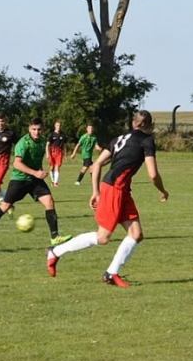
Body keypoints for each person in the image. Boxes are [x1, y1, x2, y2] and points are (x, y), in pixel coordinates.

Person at [46, 111, 169, 288]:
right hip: (114, 189)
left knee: (136, 234)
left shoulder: (118, 139)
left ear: (133, 123)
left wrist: (95, 191)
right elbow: (153, 174)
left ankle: (111, 273)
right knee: (103, 237)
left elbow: (96, 164)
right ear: (147, 125)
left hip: (120, 189)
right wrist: (162, 190)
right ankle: (55, 251)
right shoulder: (146, 141)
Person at [0, 117, 72, 247]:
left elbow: (36, 160)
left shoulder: (43, 141)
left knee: (49, 202)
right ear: (29, 129)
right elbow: (17, 163)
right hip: (19, 179)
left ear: (43, 129)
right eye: (34, 129)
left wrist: (39, 172)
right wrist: (35, 173)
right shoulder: (23, 143)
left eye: (39, 129)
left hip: (34, 180)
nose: (36, 132)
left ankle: (55, 237)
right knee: (5, 206)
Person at [46, 120, 66, 186]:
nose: (58, 127)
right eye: (57, 125)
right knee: (52, 167)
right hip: (52, 152)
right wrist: (47, 153)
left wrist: (64, 154)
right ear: (55, 126)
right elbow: (47, 144)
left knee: (57, 166)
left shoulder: (63, 135)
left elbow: (64, 145)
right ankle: (52, 181)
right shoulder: (51, 134)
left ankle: (55, 182)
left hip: (59, 152)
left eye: (59, 125)